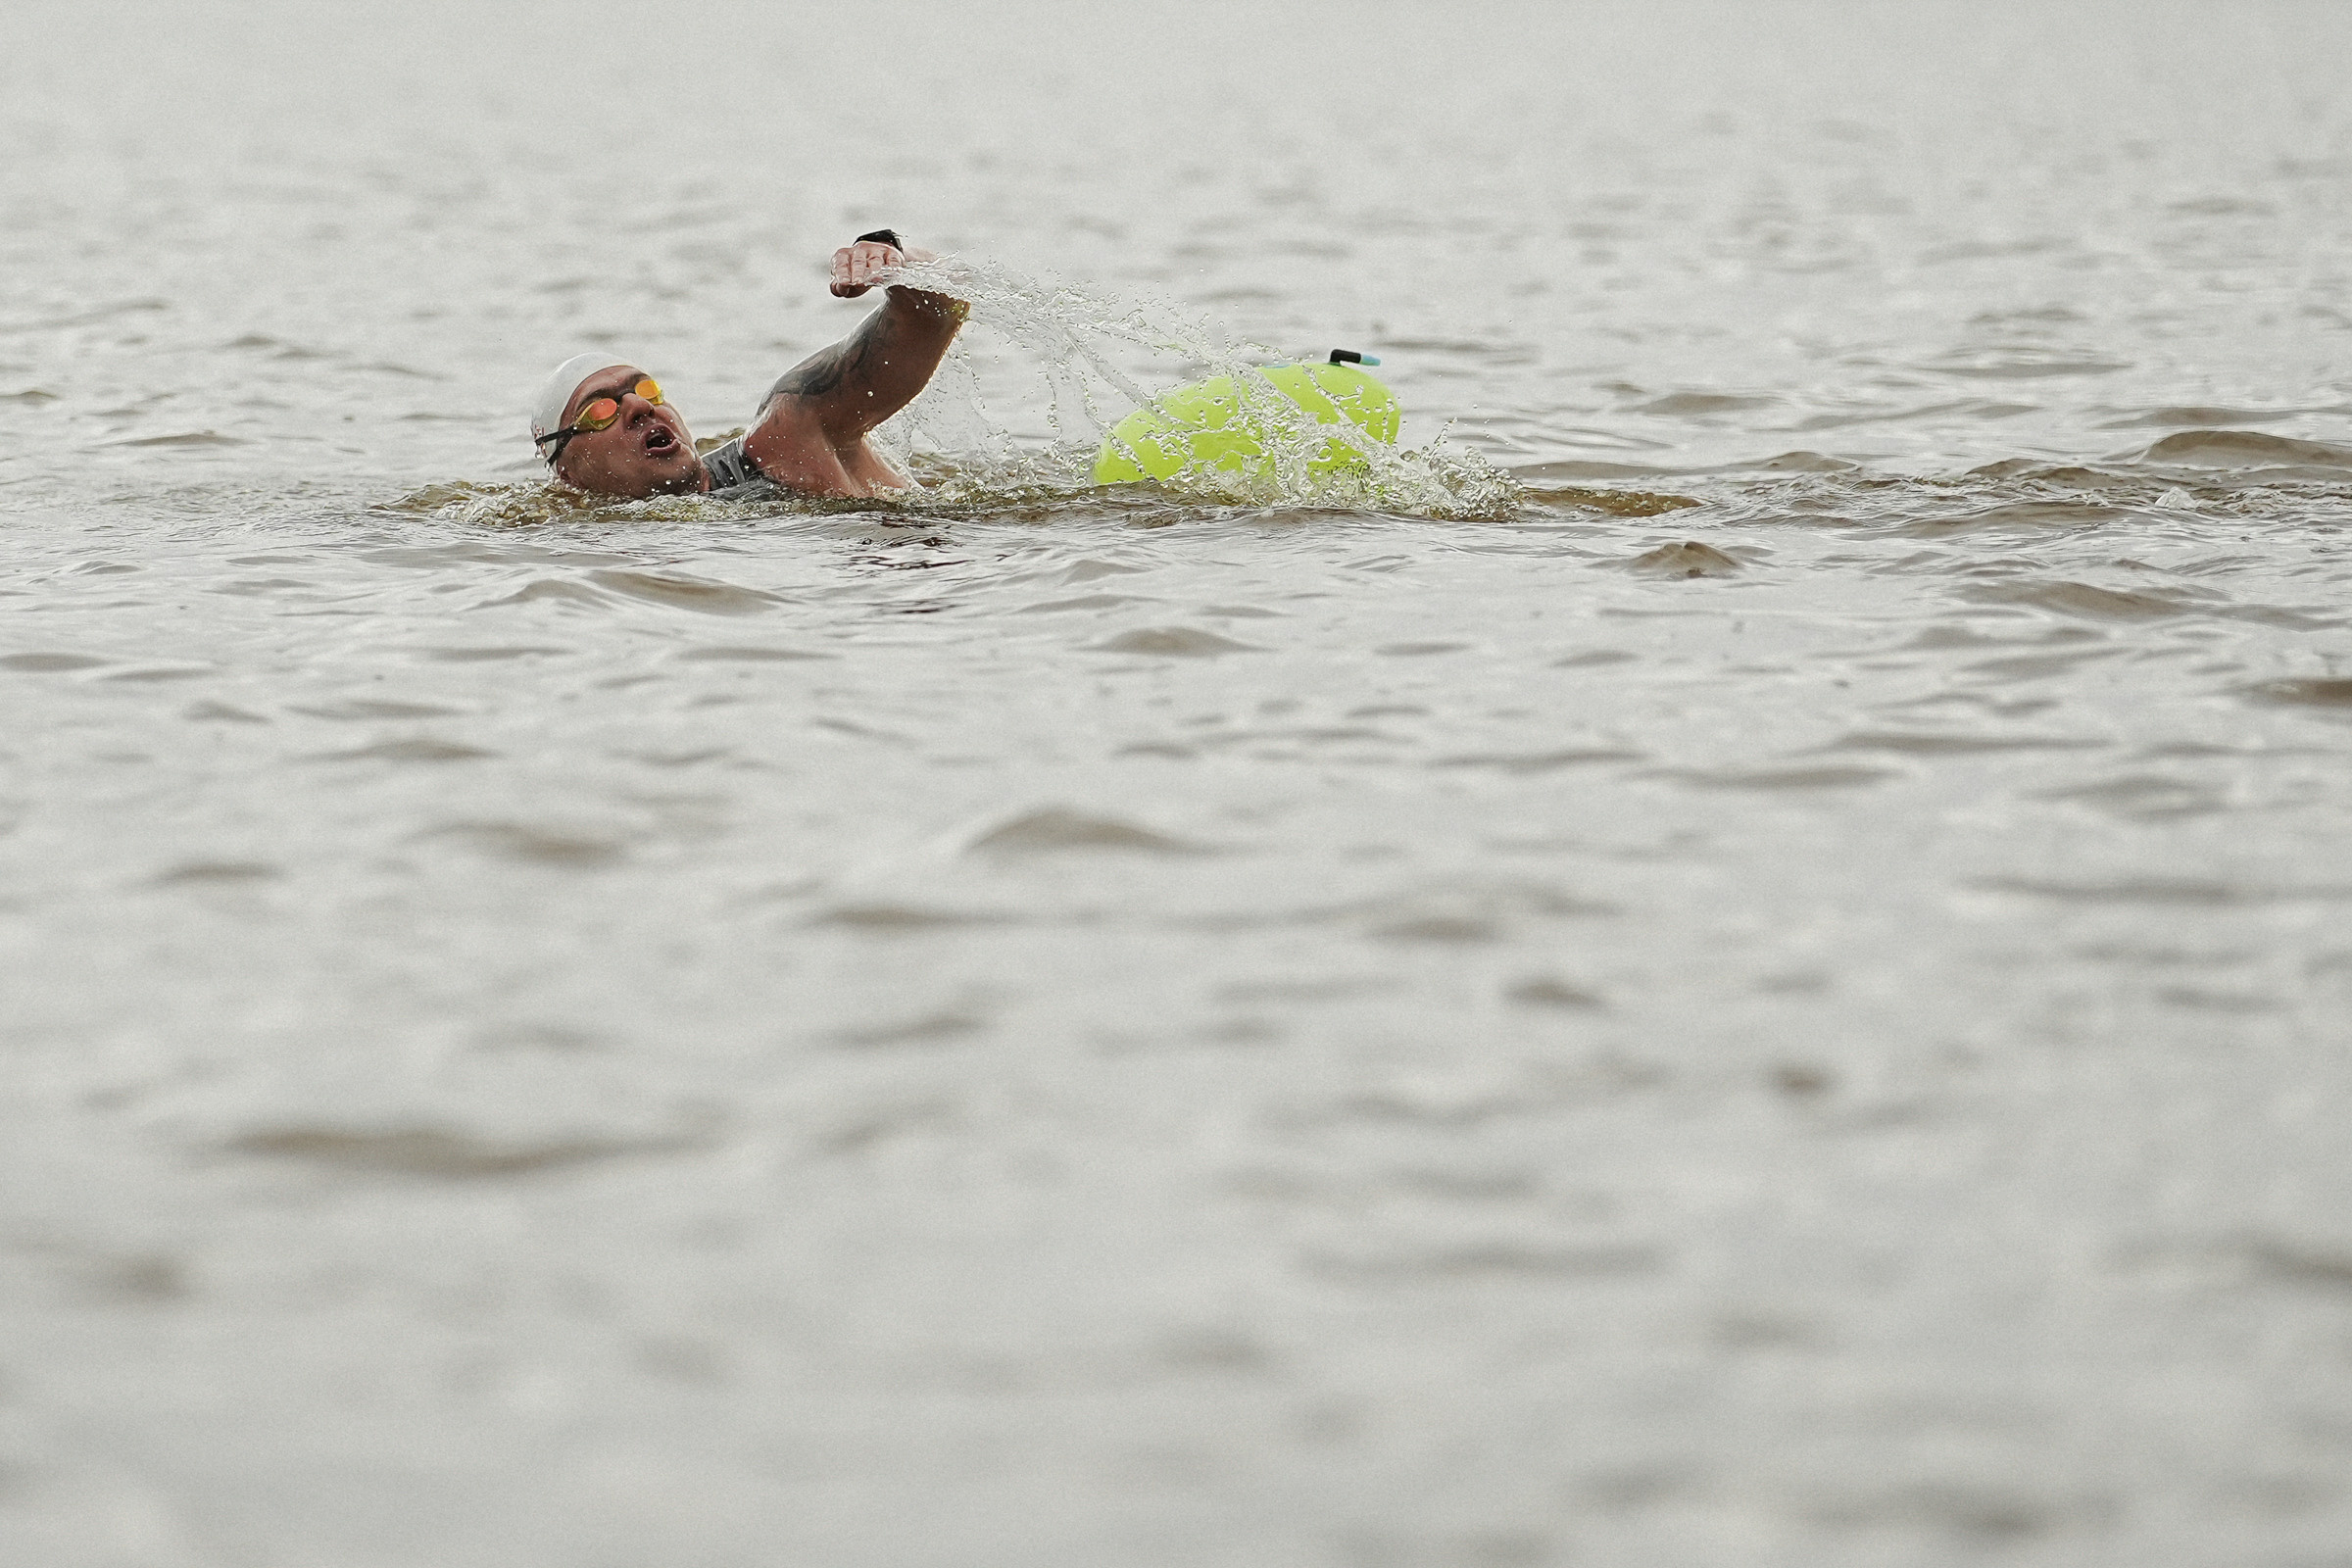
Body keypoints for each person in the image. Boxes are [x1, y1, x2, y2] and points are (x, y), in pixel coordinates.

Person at [527, 231, 965, 500]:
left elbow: (938, 307)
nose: (640, 408)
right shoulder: (582, 534)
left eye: (647, 391)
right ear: (568, 474)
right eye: (600, 410)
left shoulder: (787, 435)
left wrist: (893, 258)